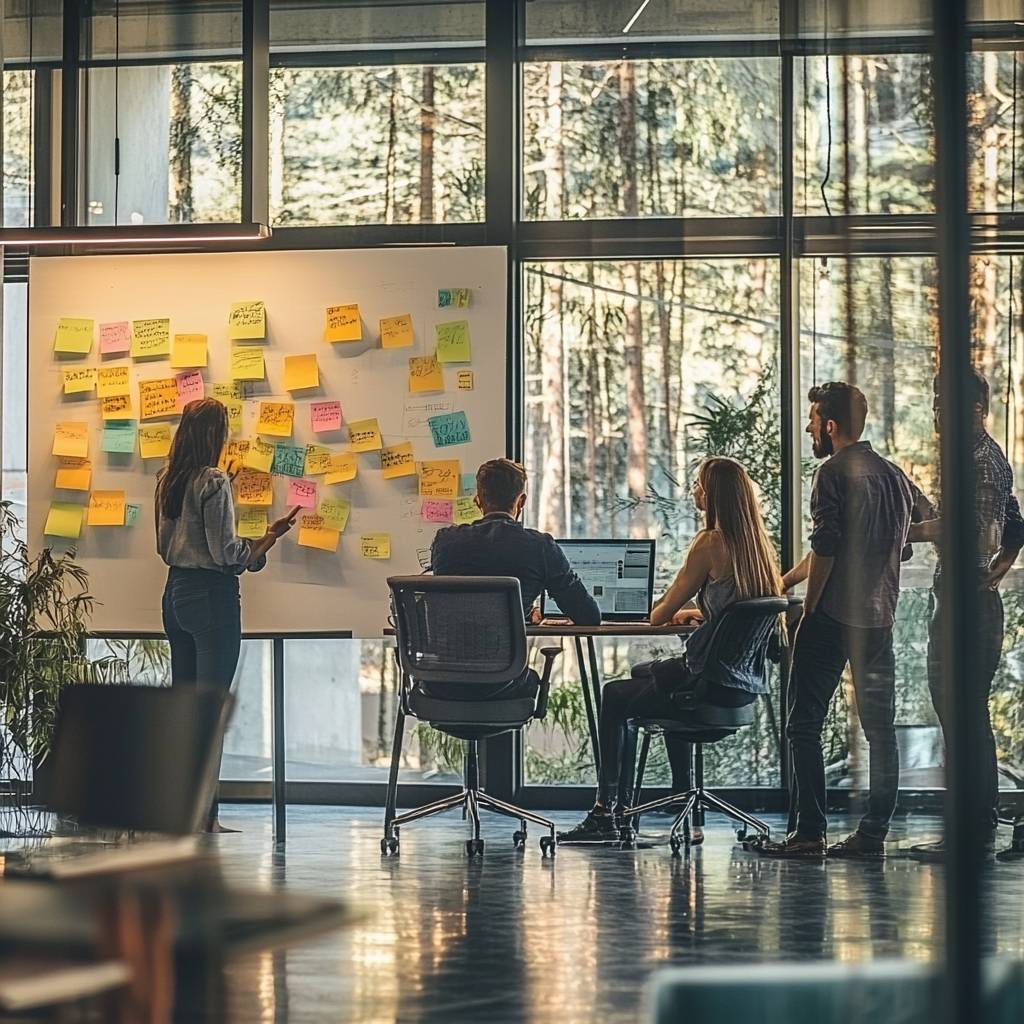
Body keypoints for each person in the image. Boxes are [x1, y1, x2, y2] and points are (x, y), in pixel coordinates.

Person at [558, 457, 783, 844]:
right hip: (739, 688)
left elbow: (661, 612)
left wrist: (609, 612)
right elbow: (735, 612)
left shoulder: (710, 543)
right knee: (647, 676)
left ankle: (605, 814)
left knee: (615, 693)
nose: (693, 490)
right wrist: (703, 615)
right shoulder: (758, 548)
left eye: (698, 484)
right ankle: (684, 805)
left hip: (705, 685)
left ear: (711, 495)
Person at [762, 382, 924, 860]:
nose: (810, 427)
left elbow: (828, 545)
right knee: (880, 730)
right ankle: (872, 835)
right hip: (879, 618)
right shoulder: (893, 476)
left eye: (812, 420)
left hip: (832, 616)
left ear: (830, 427)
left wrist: (806, 611)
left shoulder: (831, 472)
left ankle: (810, 833)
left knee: (803, 726)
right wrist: (783, 580)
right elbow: (930, 521)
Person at [156, 398, 298, 831]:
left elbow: (167, 547)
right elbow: (229, 556)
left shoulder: (168, 479)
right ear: (216, 436)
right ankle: (206, 818)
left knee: (186, 710)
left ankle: (180, 812)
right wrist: (267, 539)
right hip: (212, 598)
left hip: (175, 595)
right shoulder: (214, 482)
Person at [908, 370, 1024, 862]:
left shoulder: (978, 461)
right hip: (967, 598)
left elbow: (975, 532)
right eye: (935, 401)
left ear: (976, 410)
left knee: (964, 715)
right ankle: (973, 827)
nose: (937, 412)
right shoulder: (977, 459)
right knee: (963, 715)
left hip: (966, 606)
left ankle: (973, 833)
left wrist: (906, 531)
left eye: (946, 401)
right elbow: (1015, 523)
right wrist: (998, 569)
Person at [430, 458, 600, 699]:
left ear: (478, 500)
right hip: (505, 685)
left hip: (441, 683)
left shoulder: (446, 542)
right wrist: (524, 608)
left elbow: (460, 607)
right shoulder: (539, 546)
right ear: (521, 501)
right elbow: (589, 616)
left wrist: (526, 611)